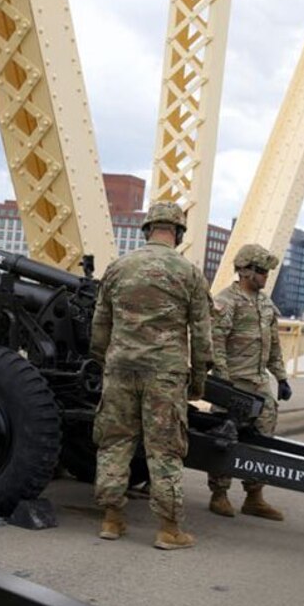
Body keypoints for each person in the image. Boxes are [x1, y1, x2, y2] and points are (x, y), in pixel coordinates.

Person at [90, 202, 213, 550]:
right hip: (165, 374)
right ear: (177, 233)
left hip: (121, 369)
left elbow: (100, 327)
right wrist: (198, 383)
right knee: (165, 450)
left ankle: (112, 520)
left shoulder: (118, 268)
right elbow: (202, 337)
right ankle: (168, 529)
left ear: (147, 230)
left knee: (115, 442)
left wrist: (105, 362)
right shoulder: (188, 273)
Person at [207, 243, 292, 521]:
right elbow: (216, 343)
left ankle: (254, 496)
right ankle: (219, 494)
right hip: (234, 384)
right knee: (225, 439)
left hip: (259, 386)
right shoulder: (226, 301)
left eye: (267, 272)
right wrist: (222, 383)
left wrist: (281, 378)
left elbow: (274, 345)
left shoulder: (265, 304)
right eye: (261, 271)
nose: (266, 276)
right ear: (245, 271)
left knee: (262, 442)